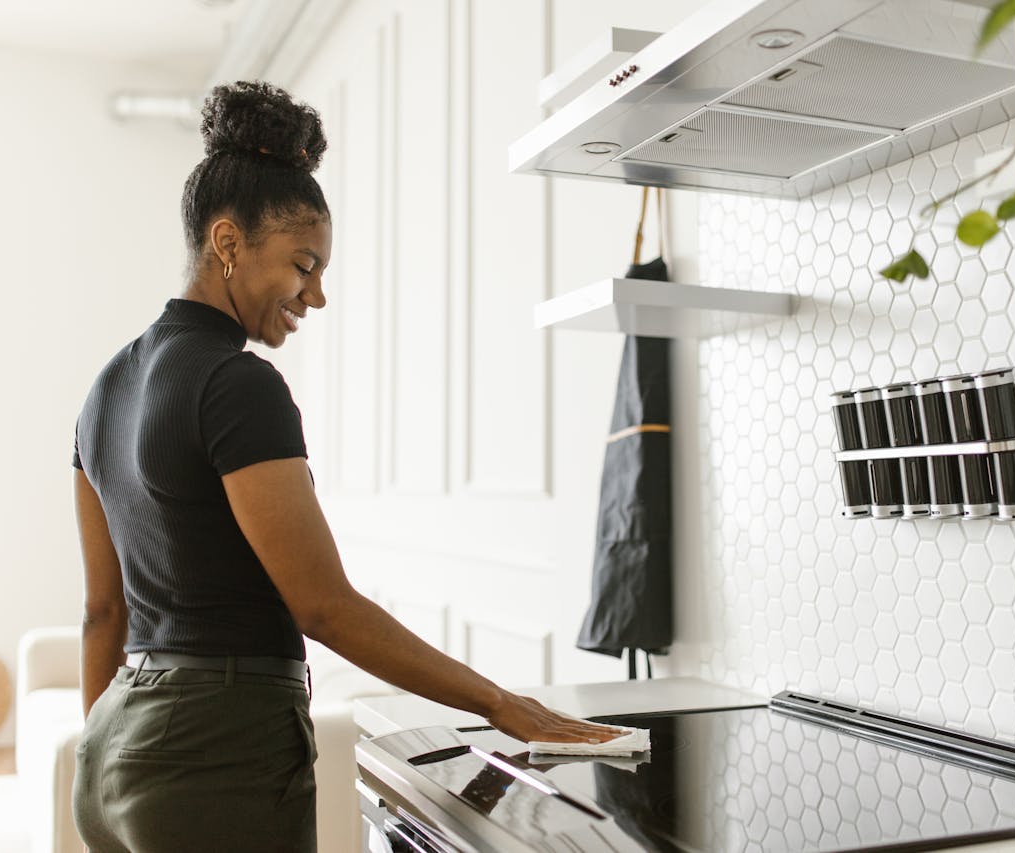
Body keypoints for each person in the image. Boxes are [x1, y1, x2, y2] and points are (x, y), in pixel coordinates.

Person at [70, 80, 622, 853]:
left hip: (112, 751)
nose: (316, 294)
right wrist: (502, 703)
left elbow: (103, 612)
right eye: (304, 265)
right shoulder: (237, 385)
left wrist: (100, 745)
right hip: (214, 754)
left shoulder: (106, 387)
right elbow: (323, 606)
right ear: (228, 243)